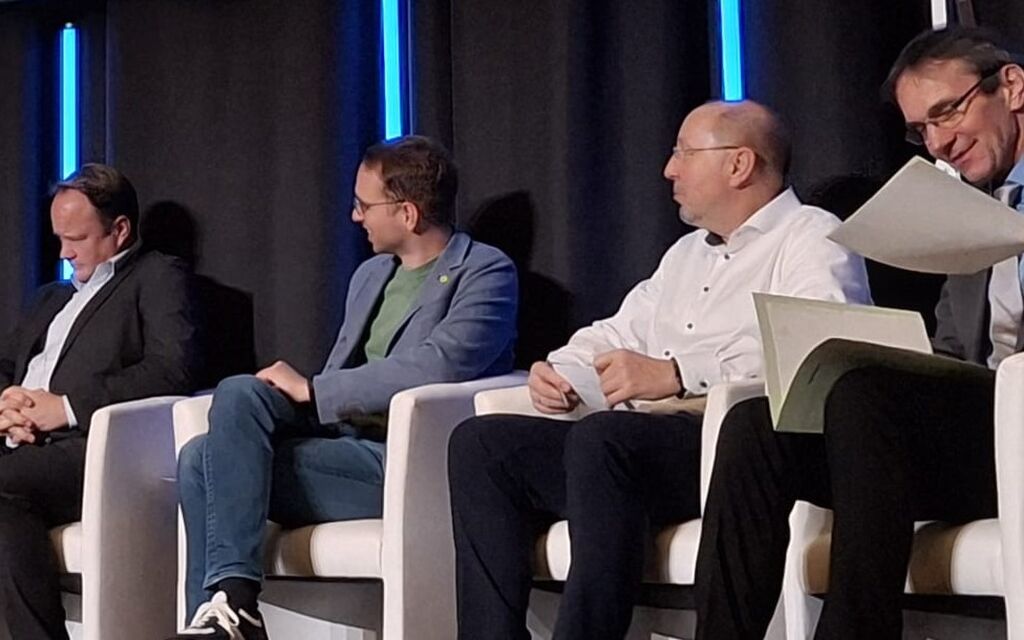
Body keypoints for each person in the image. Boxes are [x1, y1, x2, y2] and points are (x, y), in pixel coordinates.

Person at [447, 100, 871, 640]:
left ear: (739, 164)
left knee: (606, 439)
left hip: (731, 451)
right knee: (482, 444)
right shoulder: (685, 255)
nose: (670, 169)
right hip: (632, 450)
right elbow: (616, 332)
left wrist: (678, 372)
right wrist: (561, 370)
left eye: (684, 153)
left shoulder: (811, 236)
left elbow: (822, 349)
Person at [694, 26, 1024, 640]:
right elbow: (955, 349)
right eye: (921, 130)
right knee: (757, 424)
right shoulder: (973, 208)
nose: (940, 142)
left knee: (866, 397)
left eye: (948, 112)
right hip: (980, 437)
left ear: (1011, 86)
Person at [170, 135, 518, 640]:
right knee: (238, 394)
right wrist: (307, 398)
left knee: (203, 464)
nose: (356, 217)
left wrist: (314, 389)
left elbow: (439, 364)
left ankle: (232, 611)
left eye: (364, 205)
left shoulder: (485, 271)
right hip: (339, 445)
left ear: (408, 213)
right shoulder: (371, 274)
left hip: (400, 462)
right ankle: (226, 610)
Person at [0, 163, 200, 639]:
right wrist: (5, 405)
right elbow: (7, 365)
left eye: (78, 239)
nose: (65, 252)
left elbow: (172, 370)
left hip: (91, 451)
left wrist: (64, 406)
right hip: (20, 450)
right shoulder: (50, 299)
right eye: (59, 238)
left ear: (120, 230)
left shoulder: (156, 276)